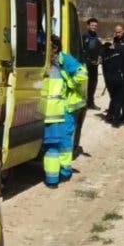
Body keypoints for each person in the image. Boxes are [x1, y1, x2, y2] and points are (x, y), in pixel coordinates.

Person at [42, 36, 88, 186]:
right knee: (55, 145)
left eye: (46, 46)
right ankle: (57, 176)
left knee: (61, 143)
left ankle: (62, 173)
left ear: (54, 48)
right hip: (51, 111)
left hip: (62, 109)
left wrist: (72, 84)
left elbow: (82, 74)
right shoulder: (46, 62)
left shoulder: (63, 60)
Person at [101, 24, 124, 127]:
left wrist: (123, 59)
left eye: (119, 32)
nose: (117, 34)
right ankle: (115, 114)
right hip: (116, 73)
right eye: (116, 32)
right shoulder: (115, 40)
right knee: (116, 96)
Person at [81, 18, 104, 110]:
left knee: (93, 84)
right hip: (86, 64)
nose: (94, 27)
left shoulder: (97, 36)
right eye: (92, 25)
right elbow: (81, 50)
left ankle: (91, 103)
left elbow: (99, 49)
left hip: (95, 64)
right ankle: (84, 104)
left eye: (95, 26)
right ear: (88, 26)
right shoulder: (84, 36)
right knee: (85, 84)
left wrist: (100, 57)